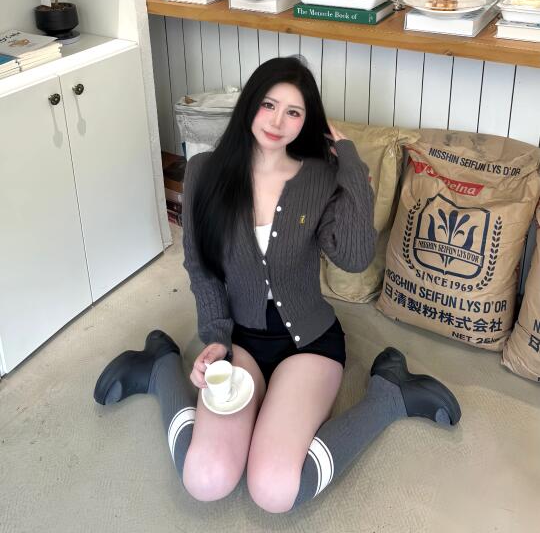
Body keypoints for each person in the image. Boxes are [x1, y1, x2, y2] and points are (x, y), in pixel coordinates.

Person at [93, 57, 461, 514]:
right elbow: (201, 268)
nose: (277, 121)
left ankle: (388, 397)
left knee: (274, 489)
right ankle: (161, 368)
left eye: (293, 112)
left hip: (309, 343)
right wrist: (215, 337)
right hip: (239, 339)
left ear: (307, 121)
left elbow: (353, 257)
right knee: (205, 479)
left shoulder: (320, 177)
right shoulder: (204, 172)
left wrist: (350, 166)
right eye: (268, 104)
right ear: (250, 103)